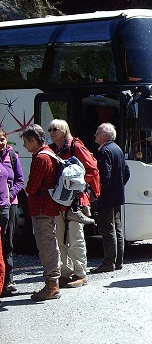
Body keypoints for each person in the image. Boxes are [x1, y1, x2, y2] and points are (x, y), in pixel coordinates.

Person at [48, 119, 100, 289]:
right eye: (50, 129)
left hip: (76, 202)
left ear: (64, 130)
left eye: (55, 129)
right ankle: (65, 273)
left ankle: (80, 273)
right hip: (59, 201)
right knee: (58, 239)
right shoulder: (52, 149)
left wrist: (76, 184)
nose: (52, 132)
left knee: (75, 238)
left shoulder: (75, 146)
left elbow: (92, 169)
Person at [21, 125, 62, 300]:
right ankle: (53, 283)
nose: (24, 146)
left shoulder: (40, 158)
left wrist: (27, 189)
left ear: (33, 140)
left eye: (25, 142)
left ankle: (51, 286)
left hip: (41, 208)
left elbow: (32, 186)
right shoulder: (50, 153)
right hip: (48, 207)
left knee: (46, 246)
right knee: (50, 243)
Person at [90, 123, 130, 273]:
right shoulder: (118, 149)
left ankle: (108, 263)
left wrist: (98, 191)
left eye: (98, 133)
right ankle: (118, 261)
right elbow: (126, 172)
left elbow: (104, 176)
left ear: (106, 135)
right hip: (117, 195)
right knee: (117, 228)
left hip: (106, 197)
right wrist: (118, 185)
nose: (95, 135)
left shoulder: (104, 151)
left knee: (107, 229)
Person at [0, 128, 25, 296]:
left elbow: (20, 180)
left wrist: (11, 195)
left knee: (7, 243)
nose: (0, 142)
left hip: (10, 204)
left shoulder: (13, 156)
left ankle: (9, 280)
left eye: (2, 139)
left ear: (6, 139)